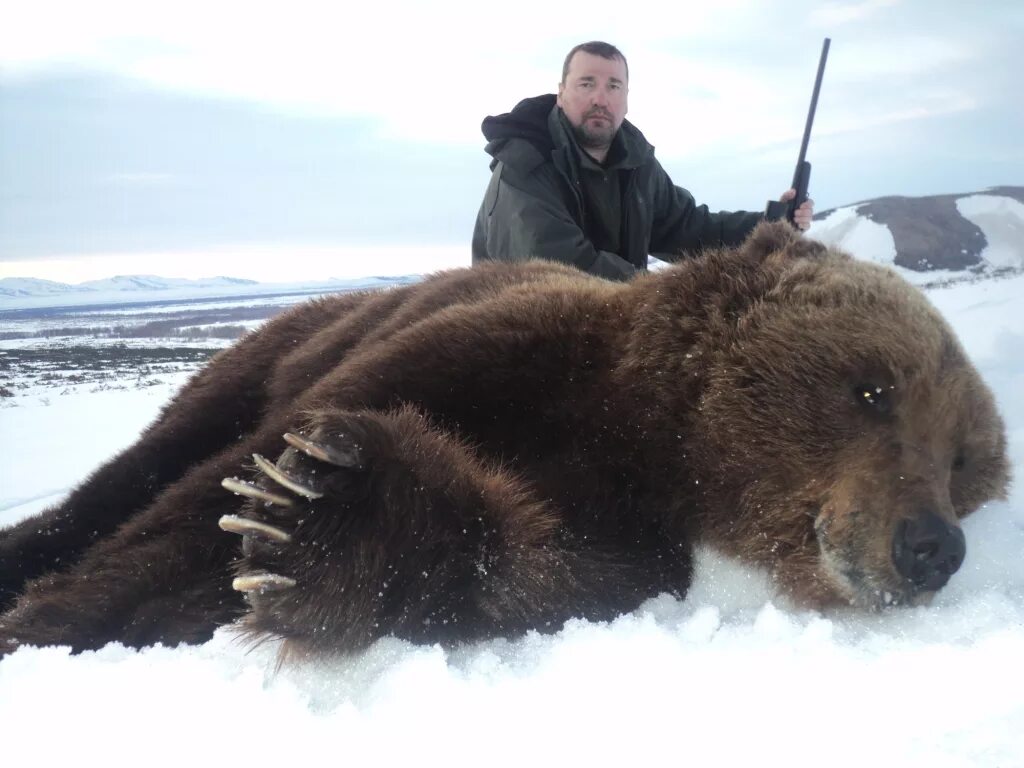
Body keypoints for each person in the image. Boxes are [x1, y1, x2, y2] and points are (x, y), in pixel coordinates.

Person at [472, 41, 814, 281]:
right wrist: (672, 292)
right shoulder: (523, 165)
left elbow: (687, 228)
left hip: (608, 329)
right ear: (561, 93)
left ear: (626, 98)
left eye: (614, 86)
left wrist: (772, 223)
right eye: (586, 84)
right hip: (525, 343)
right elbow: (559, 270)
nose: (600, 98)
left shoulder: (638, 164)